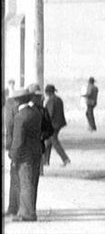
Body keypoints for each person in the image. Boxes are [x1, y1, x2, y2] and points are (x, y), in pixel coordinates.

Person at [6, 87, 52, 221]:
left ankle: (27, 214)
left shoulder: (20, 117)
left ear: (18, 101)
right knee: (31, 182)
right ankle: (25, 210)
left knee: (25, 183)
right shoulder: (36, 113)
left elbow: (18, 140)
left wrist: (13, 154)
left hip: (24, 155)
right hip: (36, 152)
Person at [41, 84, 71, 167]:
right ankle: (45, 161)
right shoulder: (59, 99)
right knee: (48, 142)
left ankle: (65, 159)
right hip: (59, 124)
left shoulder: (51, 101)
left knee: (53, 141)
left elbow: (49, 114)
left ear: (48, 92)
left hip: (53, 124)